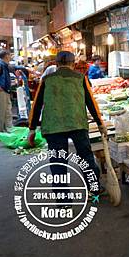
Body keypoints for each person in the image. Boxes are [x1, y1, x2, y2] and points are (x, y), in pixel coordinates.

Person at [28, 51, 107, 197]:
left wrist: (32, 129)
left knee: (58, 163)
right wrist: (100, 124)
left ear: (56, 64)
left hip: (53, 126)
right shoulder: (80, 78)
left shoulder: (46, 79)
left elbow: (37, 104)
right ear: (74, 64)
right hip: (77, 123)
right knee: (86, 158)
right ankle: (94, 190)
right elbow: (91, 103)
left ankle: (63, 200)